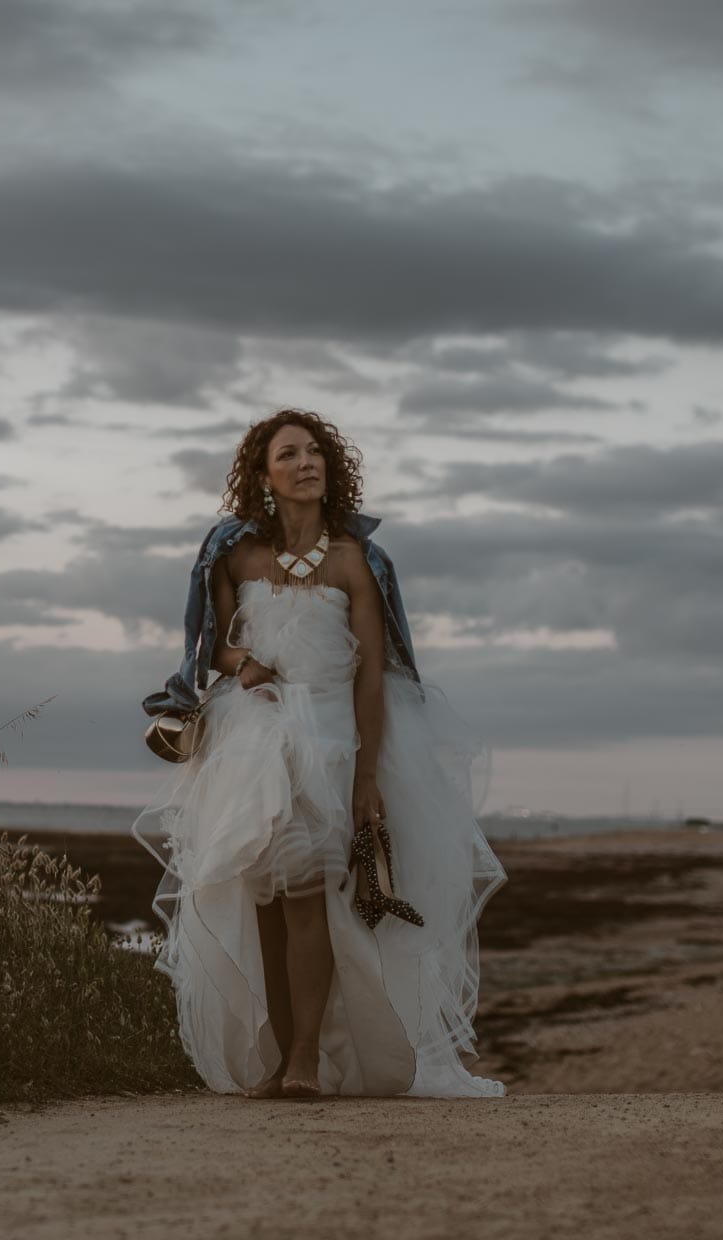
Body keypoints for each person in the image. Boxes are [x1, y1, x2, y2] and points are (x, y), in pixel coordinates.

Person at [136, 408, 505, 1099]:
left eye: (315, 453)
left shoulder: (355, 560)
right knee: (269, 899)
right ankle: (283, 1058)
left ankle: (304, 1058)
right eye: (289, 455)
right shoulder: (233, 553)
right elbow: (207, 642)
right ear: (263, 474)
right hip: (254, 741)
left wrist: (368, 776)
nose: (307, 464)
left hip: (334, 739)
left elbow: (375, 670)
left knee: (307, 893)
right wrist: (242, 662)